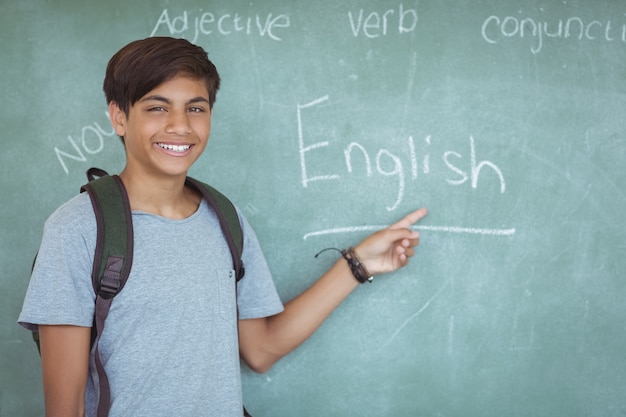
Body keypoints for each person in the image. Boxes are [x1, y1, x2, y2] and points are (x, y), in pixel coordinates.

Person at [18, 37, 428, 417]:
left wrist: (357, 265)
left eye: (195, 108)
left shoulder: (225, 219)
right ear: (119, 117)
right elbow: (65, 403)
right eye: (157, 107)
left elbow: (262, 348)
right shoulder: (77, 230)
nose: (180, 125)